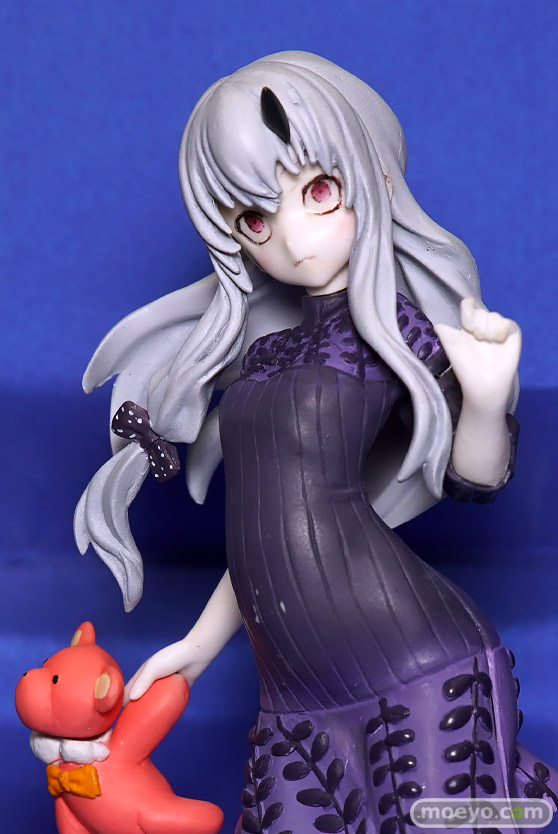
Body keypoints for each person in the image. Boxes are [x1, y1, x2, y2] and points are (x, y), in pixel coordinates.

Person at [73, 53, 557, 833]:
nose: (294, 238)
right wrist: (199, 644)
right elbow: (265, 522)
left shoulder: (395, 332)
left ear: (368, 178)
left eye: (318, 191)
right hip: (292, 690)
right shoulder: (264, 354)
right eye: (255, 220)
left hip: (414, 660)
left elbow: (475, 477)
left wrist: (487, 400)